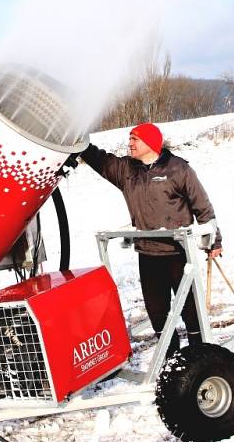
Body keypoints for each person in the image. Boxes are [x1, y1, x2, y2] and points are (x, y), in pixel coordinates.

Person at [80, 122, 223, 358]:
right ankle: (171, 360)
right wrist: (78, 143)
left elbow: (203, 207)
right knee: (157, 312)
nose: (130, 144)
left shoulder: (178, 169)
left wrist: (214, 241)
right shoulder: (126, 170)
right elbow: (100, 160)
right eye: (130, 139)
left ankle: (200, 357)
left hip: (178, 253)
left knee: (190, 309)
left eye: (135, 139)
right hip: (147, 254)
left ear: (151, 143)